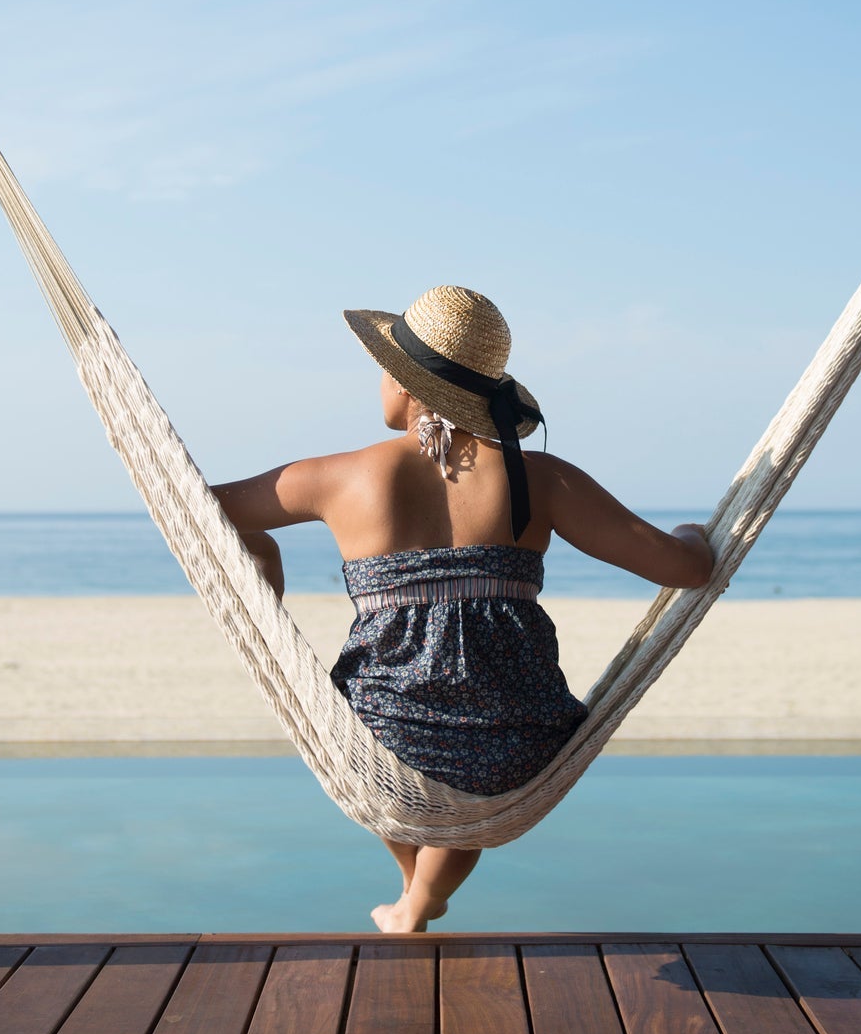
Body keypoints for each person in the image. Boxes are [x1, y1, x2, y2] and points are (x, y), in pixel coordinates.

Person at [213, 285, 714, 933]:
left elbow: (198, 509)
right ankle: (418, 900)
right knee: (471, 798)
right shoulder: (542, 478)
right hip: (513, 741)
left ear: (402, 383)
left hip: (384, 731)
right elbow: (684, 570)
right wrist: (693, 535)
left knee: (392, 782)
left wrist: (265, 564)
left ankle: (414, 900)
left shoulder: (340, 475)